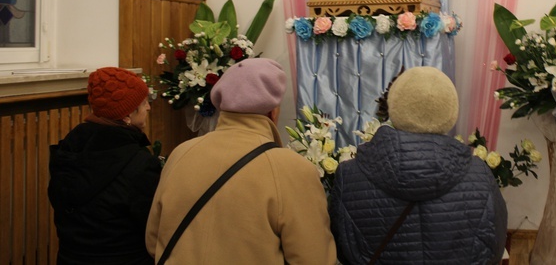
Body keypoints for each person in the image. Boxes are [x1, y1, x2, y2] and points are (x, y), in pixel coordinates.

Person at [146, 58, 337, 264]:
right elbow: (314, 257)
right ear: (273, 112)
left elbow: (153, 241)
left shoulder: (181, 153)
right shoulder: (292, 169)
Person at [329, 66, 508, 264]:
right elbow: (494, 245)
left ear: (393, 105)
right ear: (451, 110)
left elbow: (341, 245)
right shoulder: (480, 175)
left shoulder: (349, 174)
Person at [48, 67, 161, 265]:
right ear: (126, 116)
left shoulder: (68, 147)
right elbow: (153, 226)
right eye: (143, 103)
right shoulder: (138, 163)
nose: (148, 108)